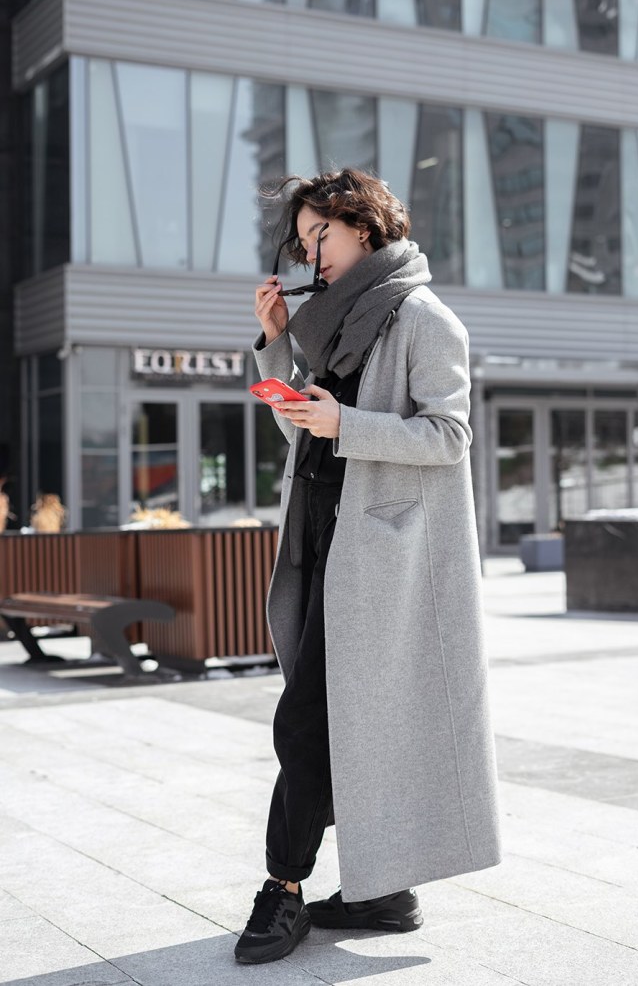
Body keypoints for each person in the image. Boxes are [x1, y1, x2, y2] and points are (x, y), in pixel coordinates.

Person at [234, 168, 501, 965]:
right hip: (323, 538)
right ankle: (383, 891)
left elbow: (450, 437)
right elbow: (308, 432)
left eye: (321, 232)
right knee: (344, 720)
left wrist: (344, 421)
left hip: (381, 557)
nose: (311, 251)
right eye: (302, 239)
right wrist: (278, 343)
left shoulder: (424, 318)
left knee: (307, 719)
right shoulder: (329, 325)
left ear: (364, 224)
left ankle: (283, 885)